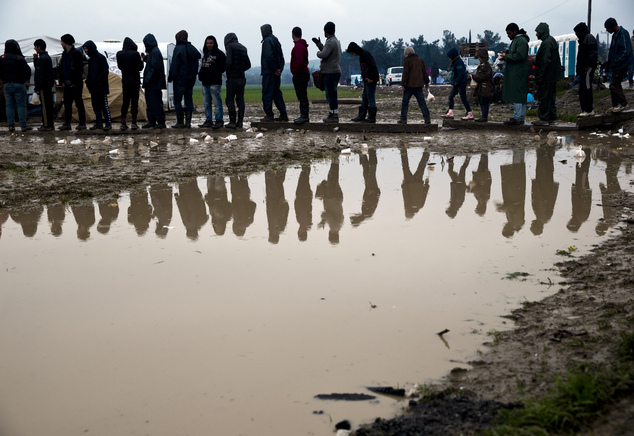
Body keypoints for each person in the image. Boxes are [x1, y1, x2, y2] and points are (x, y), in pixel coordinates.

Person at [168, 30, 201, 128]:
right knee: (189, 101)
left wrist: (171, 77)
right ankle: (188, 122)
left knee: (177, 101)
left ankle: (180, 122)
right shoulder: (192, 48)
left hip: (179, 80)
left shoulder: (178, 48)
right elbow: (197, 60)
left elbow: (174, 65)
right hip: (190, 80)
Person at [532, 23, 562, 126]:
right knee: (550, 97)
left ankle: (543, 118)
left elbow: (545, 61)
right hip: (552, 76)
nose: (536, 34)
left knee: (544, 97)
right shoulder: (551, 40)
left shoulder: (546, 43)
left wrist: (540, 76)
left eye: (537, 32)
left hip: (547, 77)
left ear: (542, 32)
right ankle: (552, 117)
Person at [500, 23, 529, 125]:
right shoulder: (517, 40)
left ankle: (517, 117)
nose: (508, 35)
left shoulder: (520, 41)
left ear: (515, 32)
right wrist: (507, 53)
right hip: (517, 72)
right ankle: (520, 117)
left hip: (519, 72)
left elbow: (520, 55)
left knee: (518, 95)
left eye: (509, 33)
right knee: (520, 95)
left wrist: (506, 57)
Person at [0, 39, 32, 132]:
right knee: (21, 105)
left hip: (6, 84)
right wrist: (24, 80)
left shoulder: (1, 58)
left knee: (9, 106)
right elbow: (27, 71)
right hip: (19, 84)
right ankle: (23, 125)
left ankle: (11, 125)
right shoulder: (19, 58)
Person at [313, 21, 341, 122]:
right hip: (334, 71)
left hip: (330, 72)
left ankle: (334, 115)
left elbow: (324, 54)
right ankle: (333, 113)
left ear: (326, 31)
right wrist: (319, 44)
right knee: (332, 94)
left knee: (330, 95)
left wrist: (317, 52)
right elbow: (327, 51)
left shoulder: (330, 42)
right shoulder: (334, 40)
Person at [260, 24, 288, 122]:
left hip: (269, 72)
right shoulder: (276, 40)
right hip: (276, 73)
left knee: (267, 94)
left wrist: (274, 69)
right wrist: (280, 68)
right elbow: (281, 56)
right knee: (277, 94)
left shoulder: (267, 41)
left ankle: (269, 115)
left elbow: (268, 56)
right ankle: (283, 115)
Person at [604, 17, 633, 112]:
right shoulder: (616, 35)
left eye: (607, 28)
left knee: (614, 85)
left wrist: (617, 61)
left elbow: (626, 50)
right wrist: (608, 65)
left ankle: (623, 104)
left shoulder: (623, 33)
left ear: (612, 26)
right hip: (616, 65)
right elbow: (612, 51)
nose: (607, 30)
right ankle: (616, 105)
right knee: (613, 85)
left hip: (622, 65)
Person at [346, 42, 380, 123]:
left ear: (354, 50)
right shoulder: (362, 55)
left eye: (352, 53)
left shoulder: (365, 54)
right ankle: (362, 116)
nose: (352, 54)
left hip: (370, 79)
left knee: (370, 96)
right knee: (365, 96)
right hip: (366, 79)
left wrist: (371, 77)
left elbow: (372, 66)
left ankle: (371, 117)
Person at [59, 34, 86, 131]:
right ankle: (67, 123)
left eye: (62, 41)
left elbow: (79, 70)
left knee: (79, 103)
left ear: (66, 42)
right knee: (67, 103)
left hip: (75, 83)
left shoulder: (76, 54)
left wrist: (75, 82)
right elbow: (62, 68)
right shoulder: (64, 53)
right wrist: (62, 80)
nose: (61, 43)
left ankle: (82, 123)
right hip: (66, 83)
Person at [198, 35, 226, 129]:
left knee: (217, 103)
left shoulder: (220, 54)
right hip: (205, 83)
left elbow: (222, 68)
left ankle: (219, 120)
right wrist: (200, 75)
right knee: (206, 103)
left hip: (215, 82)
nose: (209, 45)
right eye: (207, 43)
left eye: (211, 43)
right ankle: (208, 120)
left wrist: (212, 74)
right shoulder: (205, 54)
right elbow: (202, 67)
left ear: (214, 43)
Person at [83, 40, 112, 130]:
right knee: (95, 106)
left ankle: (108, 123)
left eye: (86, 49)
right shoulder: (91, 59)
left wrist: (98, 81)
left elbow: (104, 71)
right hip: (93, 87)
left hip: (100, 87)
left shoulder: (100, 58)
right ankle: (98, 122)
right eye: (84, 49)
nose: (86, 51)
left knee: (103, 105)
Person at [397, 46, 431, 124]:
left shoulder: (407, 60)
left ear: (407, 54)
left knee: (405, 102)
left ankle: (403, 118)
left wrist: (403, 84)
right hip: (419, 85)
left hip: (409, 85)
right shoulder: (420, 60)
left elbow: (405, 73)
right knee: (422, 102)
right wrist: (427, 82)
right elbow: (424, 72)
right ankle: (427, 118)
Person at [224, 33, 251, 129]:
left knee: (229, 99)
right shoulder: (243, 48)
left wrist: (226, 70)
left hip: (232, 78)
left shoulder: (230, 47)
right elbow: (248, 64)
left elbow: (229, 62)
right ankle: (240, 122)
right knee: (240, 101)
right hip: (241, 78)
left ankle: (232, 121)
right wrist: (240, 69)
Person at [116, 37, 144, 130]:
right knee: (134, 102)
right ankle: (134, 122)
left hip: (125, 80)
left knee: (125, 102)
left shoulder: (119, 54)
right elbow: (140, 67)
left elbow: (120, 67)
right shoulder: (135, 54)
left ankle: (123, 122)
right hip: (135, 81)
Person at [141, 33, 167, 129]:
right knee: (151, 103)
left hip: (153, 84)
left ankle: (160, 121)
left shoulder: (154, 52)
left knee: (155, 103)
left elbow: (153, 68)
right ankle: (152, 121)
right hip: (153, 84)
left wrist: (147, 80)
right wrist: (146, 58)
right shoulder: (154, 52)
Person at [573, 22, 598, 117]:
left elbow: (592, 54)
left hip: (587, 69)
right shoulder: (584, 39)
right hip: (584, 69)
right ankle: (585, 110)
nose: (575, 34)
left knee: (586, 88)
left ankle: (589, 110)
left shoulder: (589, 38)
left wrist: (587, 65)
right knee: (582, 89)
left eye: (576, 32)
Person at [442, 47, 473, 120]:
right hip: (457, 84)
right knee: (450, 96)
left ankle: (470, 113)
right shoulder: (455, 62)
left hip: (460, 83)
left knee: (463, 98)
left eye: (449, 57)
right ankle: (450, 112)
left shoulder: (459, 62)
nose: (449, 59)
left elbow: (461, 74)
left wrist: (456, 82)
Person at [33, 39, 55, 131]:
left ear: (39, 47)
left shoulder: (43, 58)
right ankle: (49, 123)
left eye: (35, 46)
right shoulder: (46, 57)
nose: (34, 48)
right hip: (48, 85)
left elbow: (40, 73)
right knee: (48, 105)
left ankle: (47, 124)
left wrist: (37, 86)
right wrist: (36, 60)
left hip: (44, 86)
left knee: (45, 106)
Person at [290, 26, 310, 124]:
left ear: (293, 35)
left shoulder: (298, 46)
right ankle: (304, 115)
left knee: (302, 96)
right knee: (303, 95)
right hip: (303, 73)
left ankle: (304, 116)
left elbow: (299, 62)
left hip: (300, 74)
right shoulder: (303, 46)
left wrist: (295, 74)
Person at [469, 48, 494, 122]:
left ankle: (484, 117)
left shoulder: (486, 67)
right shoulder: (483, 66)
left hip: (485, 88)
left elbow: (483, 77)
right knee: (482, 102)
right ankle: (483, 116)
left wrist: (473, 77)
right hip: (482, 88)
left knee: (484, 102)